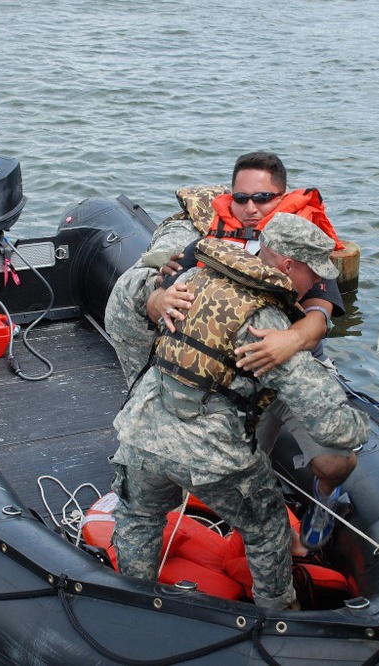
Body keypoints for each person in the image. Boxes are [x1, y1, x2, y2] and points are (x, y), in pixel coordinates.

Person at [109, 214, 370, 610]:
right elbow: (335, 428)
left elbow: (129, 322)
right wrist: (360, 424)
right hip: (212, 455)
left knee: (138, 517)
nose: (315, 283)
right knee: (266, 528)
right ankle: (279, 615)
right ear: (287, 267)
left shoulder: (191, 280)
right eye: (311, 273)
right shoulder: (267, 322)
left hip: (143, 432)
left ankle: (131, 603)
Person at [105, 151, 355, 549]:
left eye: (263, 198)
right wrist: (158, 299)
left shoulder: (299, 240)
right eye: (242, 198)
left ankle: (325, 500)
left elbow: (320, 315)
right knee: (233, 472)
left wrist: (287, 340)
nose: (252, 209)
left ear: (283, 196)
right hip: (231, 383)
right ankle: (270, 533)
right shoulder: (209, 243)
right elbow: (161, 289)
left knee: (336, 462)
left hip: (289, 369)